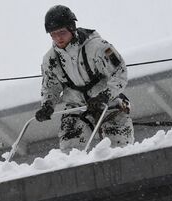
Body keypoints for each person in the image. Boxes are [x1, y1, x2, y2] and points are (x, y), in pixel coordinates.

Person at [35, 5, 134, 151]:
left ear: (71, 28)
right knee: (70, 149)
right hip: (76, 105)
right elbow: (50, 86)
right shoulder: (50, 60)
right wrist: (47, 105)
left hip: (106, 101)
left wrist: (105, 95)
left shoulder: (98, 47)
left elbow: (119, 72)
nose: (58, 38)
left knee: (118, 144)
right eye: (53, 34)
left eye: (62, 32)